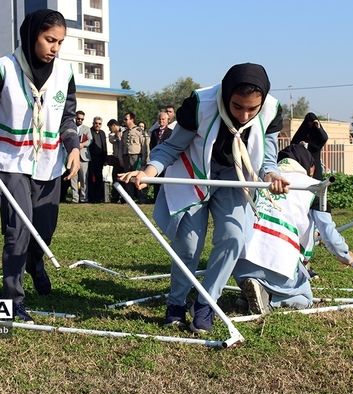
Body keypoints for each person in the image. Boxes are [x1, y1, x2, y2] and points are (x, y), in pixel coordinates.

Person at [120, 63, 289, 333]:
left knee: (233, 237)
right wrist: (149, 172)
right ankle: (176, 304)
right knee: (188, 244)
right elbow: (172, 147)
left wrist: (271, 175)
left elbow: (268, 158)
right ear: (225, 96)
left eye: (251, 109)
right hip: (194, 175)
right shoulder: (201, 104)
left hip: (235, 178)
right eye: (237, 106)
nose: (244, 115)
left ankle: (206, 302)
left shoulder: (271, 109)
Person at [0, 9, 80, 324]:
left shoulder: (65, 73)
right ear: (32, 36)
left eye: (60, 41)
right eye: (49, 40)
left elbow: (68, 117)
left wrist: (74, 148)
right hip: (11, 162)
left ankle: (36, 263)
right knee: (17, 230)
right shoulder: (4, 68)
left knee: (43, 231)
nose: (55, 47)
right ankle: (12, 300)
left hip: (50, 164)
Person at [233, 144, 353, 314]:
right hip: (278, 264)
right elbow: (328, 232)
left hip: (239, 260)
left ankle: (250, 290)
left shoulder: (263, 179)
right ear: (311, 168)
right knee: (305, 299)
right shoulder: (315, 187)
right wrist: (345, 255)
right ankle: (269, 298)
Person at [290, 112, 328, 181]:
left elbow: (324, 139)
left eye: (312, 122)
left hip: (315, 165)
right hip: (302, 165)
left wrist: (319, 128)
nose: (310, 124)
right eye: (309, 122)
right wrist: (300, 145)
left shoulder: (317, 133)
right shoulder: (302, 131)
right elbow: (293, 144)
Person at [149, 111, 173, 201]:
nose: (161, 121)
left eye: (163, 119)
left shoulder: (171, 132)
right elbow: (151, 145)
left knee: (165, 179)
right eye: (160, 119)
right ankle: (156, 198)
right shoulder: (155, 132)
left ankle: (166, 198)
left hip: (166, 160)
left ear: (168, 120)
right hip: (156, 158)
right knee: (156, 179)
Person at [88, 116, 107, 203]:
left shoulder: (102, 133)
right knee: (91, 178)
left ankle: (99, 197)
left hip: (100, 159)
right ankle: (92, 197)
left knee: (99, 178)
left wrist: (105, 159)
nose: (97, 125)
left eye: (99, 124)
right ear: (93, 123)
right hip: (91, 159)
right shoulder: (89, 131)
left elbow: (104, 146)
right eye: (96, 123)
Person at [107, 118, 125, 203]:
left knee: (124, 179)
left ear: (114, 125)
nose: (110, 130)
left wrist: (120, 135)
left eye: (110, 128)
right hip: (117, 159)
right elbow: (111, 140)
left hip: (125, 159)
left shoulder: (124, 131)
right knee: (115, 178)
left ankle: (124, 198)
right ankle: (115, 197)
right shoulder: (112, 134)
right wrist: (116, 136)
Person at [76, 110, 91, 203]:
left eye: (82, 119)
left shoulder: (86, 129)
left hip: (83, 157)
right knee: (73, 179)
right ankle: (74, 198)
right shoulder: (71, 127)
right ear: (75, 118)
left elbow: (90, 141)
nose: (80, 120)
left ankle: (84, 198)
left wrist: (82, 145)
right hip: (73, 156)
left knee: (84, 179)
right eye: (78, 118)